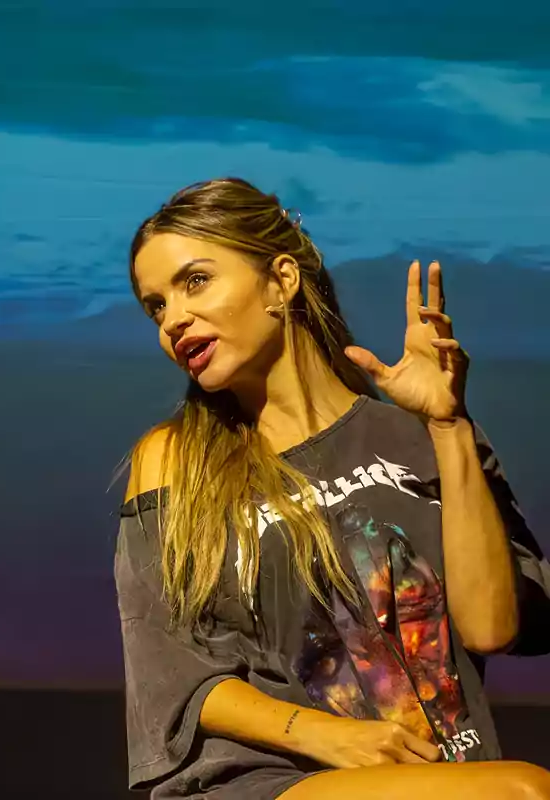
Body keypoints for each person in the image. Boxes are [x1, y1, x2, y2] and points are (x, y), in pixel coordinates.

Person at [117, 177, 550, 799]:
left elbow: (490, 630)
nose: (174, 319)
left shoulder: (420, 435)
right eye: (155, 306)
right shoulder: (174, 460)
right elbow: (168, 670)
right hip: (266, 779)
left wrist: (449, 426)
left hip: (437, 774)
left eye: (195, 281)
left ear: (283, 279)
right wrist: (326, 736)